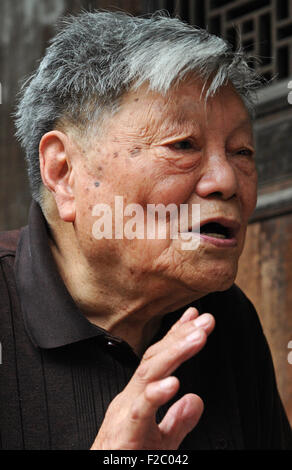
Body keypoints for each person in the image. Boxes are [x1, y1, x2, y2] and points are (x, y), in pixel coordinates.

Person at [0, 10, 291, 450]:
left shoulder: (223, 318)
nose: (227, 181)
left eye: (242, 151)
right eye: (183, 146)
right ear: (63, 171)